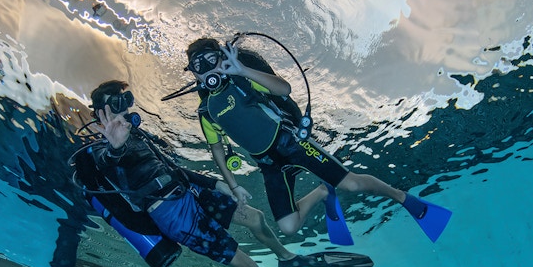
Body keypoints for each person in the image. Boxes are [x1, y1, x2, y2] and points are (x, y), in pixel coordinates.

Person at [73, 79, 325, 267]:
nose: (123, 108)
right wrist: (115, 148)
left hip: (191, 192)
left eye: (124, 100)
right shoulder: (98, 149)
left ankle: (285, 257)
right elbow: (109, 163)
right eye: (113, 105)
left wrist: (217, 184)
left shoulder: (136, 134)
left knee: (256, 218)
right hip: (173, 216)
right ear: (100, 114)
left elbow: (173, 169)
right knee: (243, 262)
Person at [184, 37, 449, 241]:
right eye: (198, 66)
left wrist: (242, 70)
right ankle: (323, 192)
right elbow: (216, 148)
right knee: (288, 227)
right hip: (267, 165)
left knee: (352, 185)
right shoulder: (207, 110)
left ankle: (402, 198)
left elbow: (283, 89)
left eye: (211, 59)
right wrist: (233, 186)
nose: (207, 69)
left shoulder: (242, 82)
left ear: (222, 57)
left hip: (293, 145)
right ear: (194, 75)